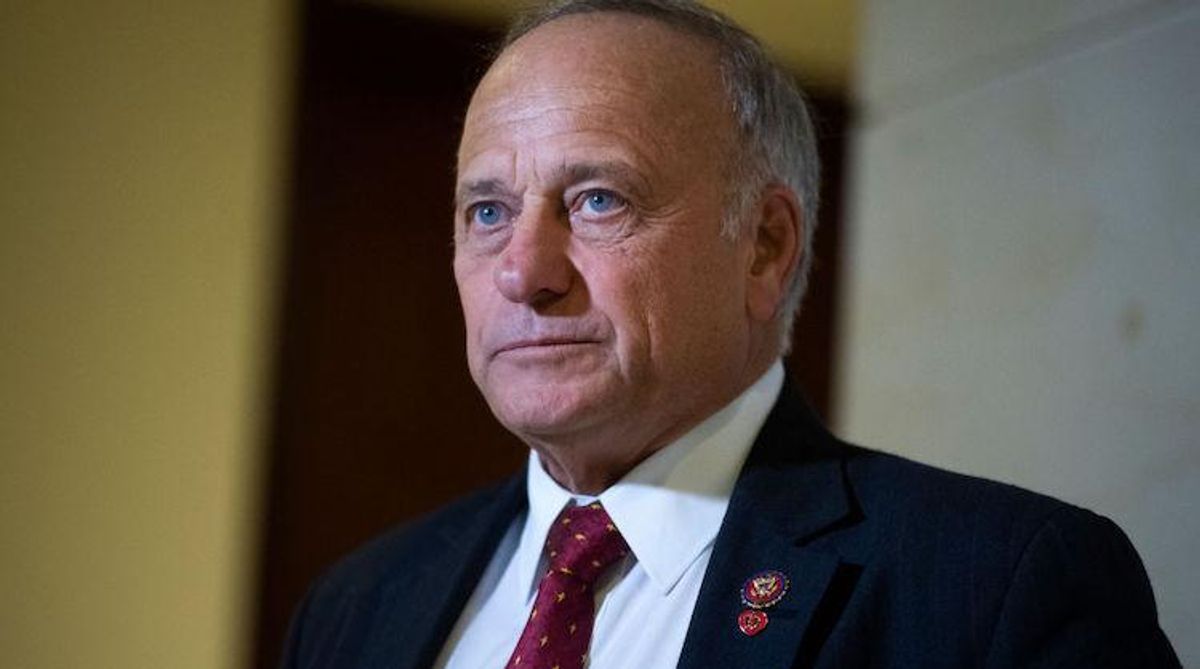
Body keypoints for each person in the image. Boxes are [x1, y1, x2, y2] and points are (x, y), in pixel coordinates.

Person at [280, 1, 1180, 667]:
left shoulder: (999, 589)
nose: (524, 272)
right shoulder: (355, 607)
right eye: (487, 211)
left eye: (598, 200)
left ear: (765, 246)